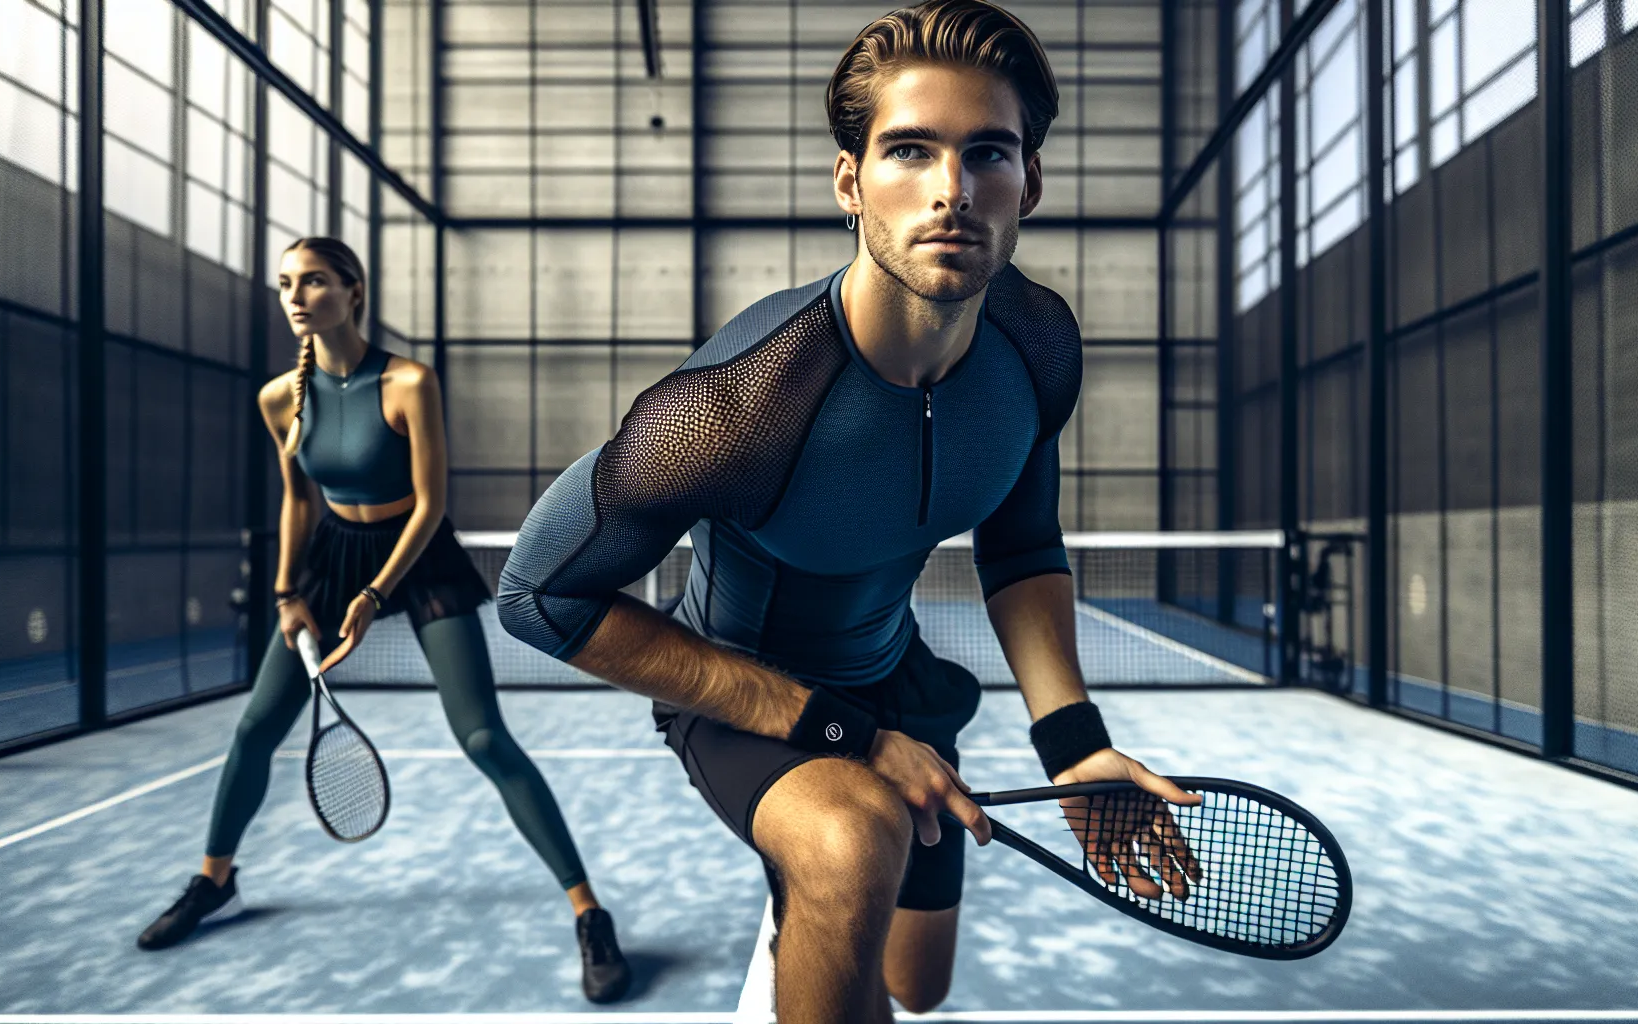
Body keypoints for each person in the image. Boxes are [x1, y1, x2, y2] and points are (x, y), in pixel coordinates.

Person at [496, 3, 1199, 1019]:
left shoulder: (1036, 344)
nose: (951, 190)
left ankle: (810, 910)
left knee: (915, 985)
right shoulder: (731, 410)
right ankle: (812, 866)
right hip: (744, 690)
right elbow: (536, 595)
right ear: (849, 181)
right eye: (908, 151)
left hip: (896, 680)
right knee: (850, 840)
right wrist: (830, 730)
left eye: (986, 153)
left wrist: (1072, 740)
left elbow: (1021, 543)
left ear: (1028, 183)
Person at [136, 237, 631, 1004]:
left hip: (418, 554)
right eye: (286, 285)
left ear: (354, 291)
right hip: (329, 556)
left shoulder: (407, 382)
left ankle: (589, 911)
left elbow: (431, 504)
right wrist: (285, 592)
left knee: (482, 736)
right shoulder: (279, 398)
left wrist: (373, 597)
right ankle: (214, 881)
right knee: (257, 727)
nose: (297, 297)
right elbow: (298, 499)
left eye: (316, 282)